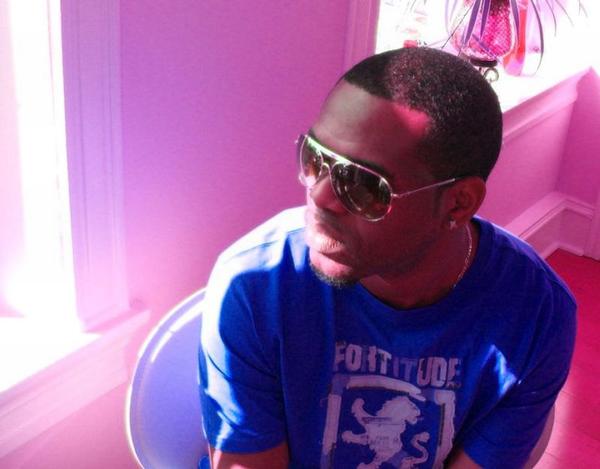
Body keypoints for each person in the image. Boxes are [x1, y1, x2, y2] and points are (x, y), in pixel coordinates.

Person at [199, 47, 576, 469]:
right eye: (315, 158)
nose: (319, 196)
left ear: (458, 203)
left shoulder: (536, 314)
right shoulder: (254, 286)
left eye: (363, 184)